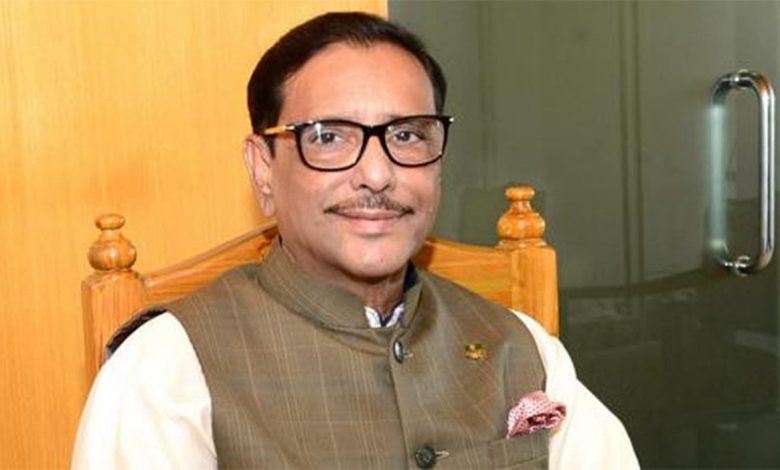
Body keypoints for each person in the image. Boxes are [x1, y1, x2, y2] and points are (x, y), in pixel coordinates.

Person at [72, 11, 639, 470]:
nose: (376, 174)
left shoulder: (523, 349)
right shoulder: (167, 373)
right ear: (263, 169)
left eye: (407, 135)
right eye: (329, 137)